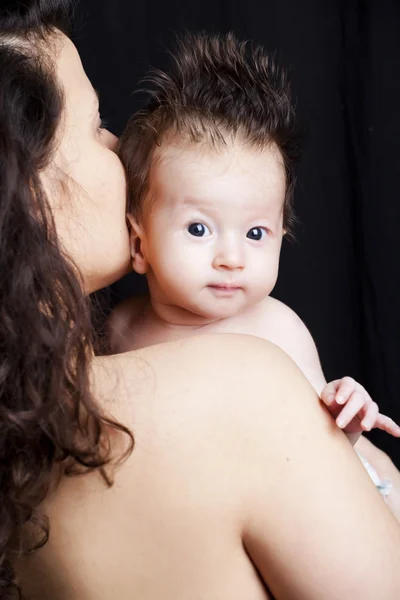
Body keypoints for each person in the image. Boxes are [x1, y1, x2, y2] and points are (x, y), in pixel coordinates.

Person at [1, 2, 400, 599]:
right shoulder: (243, 388)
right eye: (94, 125)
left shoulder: (25, 437)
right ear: (30, 194)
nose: (116, 144)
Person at [111, 31, 399, 484]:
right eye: (199, 229)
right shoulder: (120, 332)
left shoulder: (277, 331)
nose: (232, 257)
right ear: (138, 244)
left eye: (256, 233)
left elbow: (319, 450)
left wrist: (346, 415)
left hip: (337, 495)